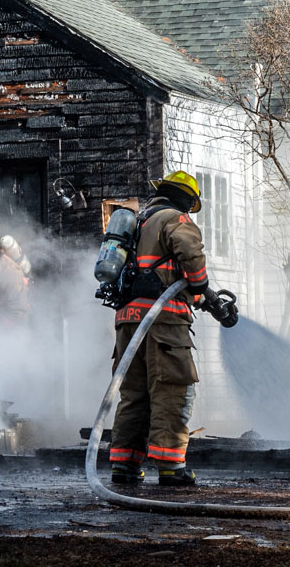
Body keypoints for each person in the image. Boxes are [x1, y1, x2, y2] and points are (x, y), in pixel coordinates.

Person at [108, 170, 217, 487]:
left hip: (129, 322)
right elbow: (188, 252)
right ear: (186, 199)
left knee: (135, 396)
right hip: (163, 322)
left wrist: (201, 296)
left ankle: (124, 466)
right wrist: (200, 283)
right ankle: (171, 467)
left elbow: (161, 271)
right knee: (172, 388)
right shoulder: (175, 219)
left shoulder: (140, 222)